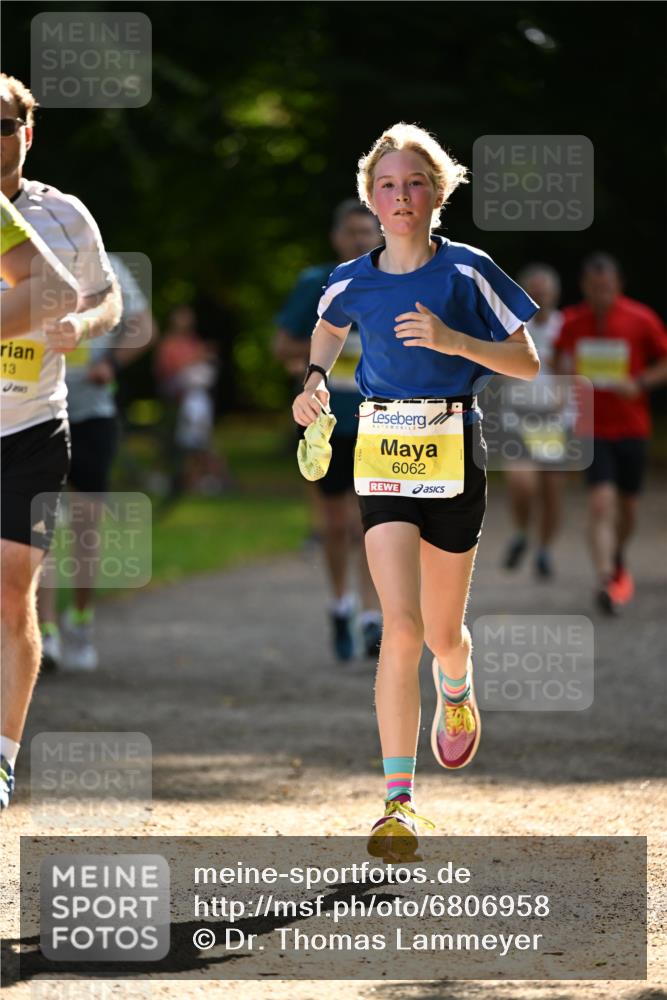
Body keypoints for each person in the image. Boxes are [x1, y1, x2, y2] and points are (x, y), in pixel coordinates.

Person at [292, 123, 539, 857]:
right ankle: (396, 803)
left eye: (415, 184)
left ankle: (456, 686)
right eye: (388, 186)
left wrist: (453, 341)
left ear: (438, 193)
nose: (401, 198)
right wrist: (312, 385)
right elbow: (327, 331)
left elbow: (525, 362)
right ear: (370, 197)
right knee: (398, 629)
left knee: (440, 636)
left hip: (453, 453)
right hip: (382, 458)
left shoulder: (467, 271)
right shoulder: (351, 277)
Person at [0, 74, 121, 810]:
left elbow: (104, 294)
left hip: (34, 427)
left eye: (5, 122)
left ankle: (2, 756)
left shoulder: (63, 215)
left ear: (28, 131)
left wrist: (82, 324)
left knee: (12, 591)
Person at [275, 200, 383, 661]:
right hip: (328, 421)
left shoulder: (394, 281)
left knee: (376, 527)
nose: (359, 240)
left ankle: (373, 619)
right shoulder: (315, 282)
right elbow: (283, 346)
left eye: (367, 232)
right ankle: (340, 606)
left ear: (379, 235)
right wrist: (330, 345)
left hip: (383, 421)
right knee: (336, 526)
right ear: (337, 238)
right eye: (352, 233)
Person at [38, 254, 155, 672]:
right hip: (35, 412)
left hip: (92, 412)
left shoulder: (103, 265)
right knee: (41, 519)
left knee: (87, 520)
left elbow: (143, 325)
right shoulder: (19, 260)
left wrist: (111, 362)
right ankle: (45, 631)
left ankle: (81, 619)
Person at [554, 253, 667, 614]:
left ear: (618, 285)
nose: (600, 293)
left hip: (632, 426)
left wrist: (640, 383)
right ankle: (605, 578)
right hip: (591, 428)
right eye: (593, 287)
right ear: (584, 287)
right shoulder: (572, 321)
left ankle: (617, 556)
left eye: (607, 287)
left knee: (628, 507)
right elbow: (559, 360)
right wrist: (565, 384)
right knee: (601, 502)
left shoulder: (641, 318)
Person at [501, 263, 565, 579]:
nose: (539, 297)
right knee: (522, 485)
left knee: (552, 493)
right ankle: (522, 533)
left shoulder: (566, 327)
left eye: (545, 291)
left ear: (555, 294)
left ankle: (544, 550)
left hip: (555, 422)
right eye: (533, 292)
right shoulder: (509, 326)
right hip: (518, 420)